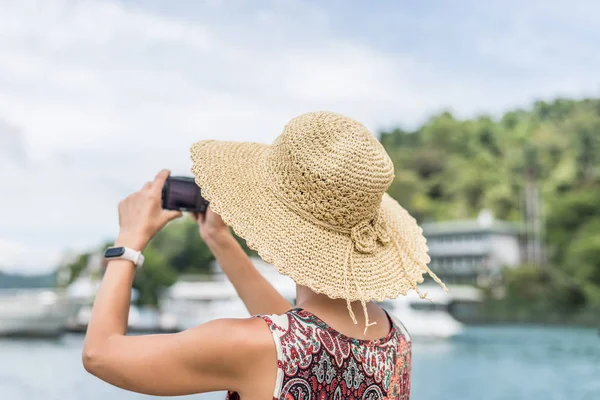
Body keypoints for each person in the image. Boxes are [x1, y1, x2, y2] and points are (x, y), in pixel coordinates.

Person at [82, 111, 446, 399]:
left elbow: (100, 354)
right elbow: (302, 329)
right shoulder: (396, 339)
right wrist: (218, 239)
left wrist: (127, 243)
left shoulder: (254, 345)